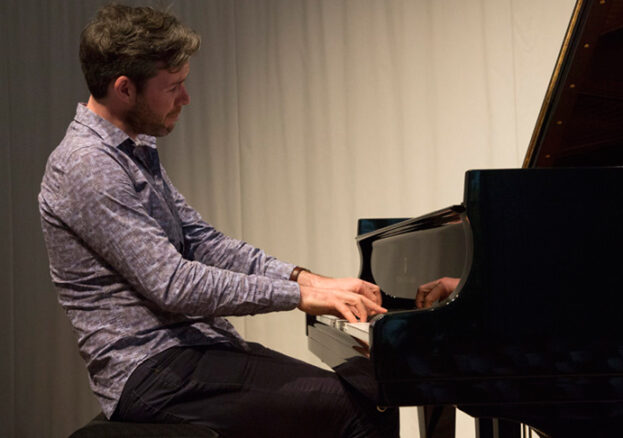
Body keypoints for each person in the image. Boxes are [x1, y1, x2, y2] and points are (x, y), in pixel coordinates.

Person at [38, 4, 398, 437]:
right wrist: (298, 297)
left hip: (192, 352)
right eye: (174, 86)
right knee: (358, 410)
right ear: (124, 89)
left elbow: (203, 241)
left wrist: (310, 280)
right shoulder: (87, 165)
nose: (186, 98)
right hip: (152, 370)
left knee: (367, 395)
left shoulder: (132, 149)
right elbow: (173, 285)